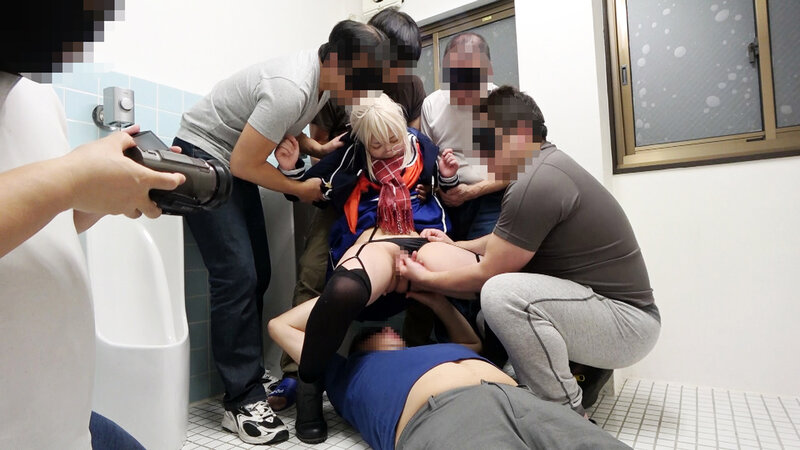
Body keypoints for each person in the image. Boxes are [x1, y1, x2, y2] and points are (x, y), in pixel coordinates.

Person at [170, 20, 388, 445]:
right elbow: (244, 163)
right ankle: (240, 399)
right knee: (236, 275)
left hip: (229, 160)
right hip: (204, 155)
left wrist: (314, 148)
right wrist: (300, 188)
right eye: (359, 81)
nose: (360, 93)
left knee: (260, 271)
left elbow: (279, 125)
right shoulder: (292, 85)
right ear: (336, 62)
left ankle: (247, 377)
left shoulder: (319, 80)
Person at [398, 86, 661, 418]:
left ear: (518, 134)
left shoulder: (535, 183)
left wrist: (426, 280)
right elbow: (504, 241)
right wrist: (456, 245)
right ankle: (552, 390)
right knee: (489, 314)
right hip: (610, 313)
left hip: (627, 324)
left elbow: (487, 274)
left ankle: (566, 412)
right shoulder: (542, 167)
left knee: (500, 294)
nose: (481, 152)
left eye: (487, 139)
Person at [0, 3, 185, 447]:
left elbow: (45, 223)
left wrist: (107, 196)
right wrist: (71, 178)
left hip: (64, 422)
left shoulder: (39, 98)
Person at [275, 93, 461, 443]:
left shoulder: (421, 146)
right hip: (371, 239)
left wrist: (445, 179)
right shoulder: (353, 152)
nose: (388, 149)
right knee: (339, 289)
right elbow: (313, 188)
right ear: (364, 141)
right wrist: (290, 167)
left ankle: (420, 357)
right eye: (377, 145)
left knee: (465, 279)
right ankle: (308, 384)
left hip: (422, 234)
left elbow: (444, 185)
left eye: (393, 139)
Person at [274, 8, 430, 409]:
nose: (398, 73)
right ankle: (298, 372)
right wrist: (306, 170)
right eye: (393, 62)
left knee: (426, 272)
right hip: (344, 190)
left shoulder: (411, 86)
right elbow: (321, 148)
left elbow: (413, 143)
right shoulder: (342, 80)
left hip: (399, 197)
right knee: (313, 270)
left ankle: (418, 362)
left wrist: (426, 185)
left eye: (406, 65)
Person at [267, 283, 630, 450]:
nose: (392, 332)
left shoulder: (435, 350)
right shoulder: (347, 373)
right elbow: (281, 327)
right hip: (443, 416)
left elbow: (473, 345)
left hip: (524, 401)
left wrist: (438, 303)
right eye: (381, 332)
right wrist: (358, 291)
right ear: (364, 346)